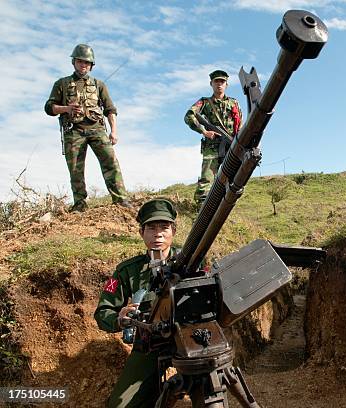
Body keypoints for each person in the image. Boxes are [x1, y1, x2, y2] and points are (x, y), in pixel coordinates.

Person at [94, 199, 179, 407]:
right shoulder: (127, 270)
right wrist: (120, 318)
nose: (158, 234)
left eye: (164, 227)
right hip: (148, 343)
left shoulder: (192, 260)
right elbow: (103, 311)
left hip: (188, 339)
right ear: (141, 232)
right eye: (151, 228)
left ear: (173, 231)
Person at [44, 44, 131, 212]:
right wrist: (66, 109)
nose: (83, 65)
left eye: (87, 62)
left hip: (97, 128)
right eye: (80, 61)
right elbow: (49, 108)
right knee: (76, 169)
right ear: (74, 62)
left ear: (91, 65)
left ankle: (121, 200)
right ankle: (79, 203)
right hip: (73, 130)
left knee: (111, 162)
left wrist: (114, 131)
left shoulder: (99, 85)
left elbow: (110, 110)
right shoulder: (61, 84)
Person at [184, 70, 243, 204]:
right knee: (207, 181)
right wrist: (204, 131)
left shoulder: (234, 103)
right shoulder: (204, 102)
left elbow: (240, 125)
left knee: (232, 180)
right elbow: (189, 116)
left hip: (231, 146)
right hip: (212, 147)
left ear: (226, 85)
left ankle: (221, 207)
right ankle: (200, 210)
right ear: (211, 84)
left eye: (222, 82)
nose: (219, 84)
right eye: (216, 81)